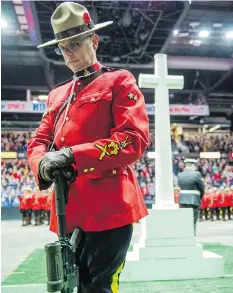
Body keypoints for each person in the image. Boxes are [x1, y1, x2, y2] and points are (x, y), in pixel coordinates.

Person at [27, 2, 149, 292]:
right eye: (62, 48)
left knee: (99, 287)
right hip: (66, 208)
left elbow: (133, 140)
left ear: (93, 41)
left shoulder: (119, 81)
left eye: (74, 44)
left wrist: (71, 155)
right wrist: (41, 163)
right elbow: (38, 141)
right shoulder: (57, 95)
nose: (68, 53)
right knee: (70, 286)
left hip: (109, 208)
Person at [178, 159, 205, 236]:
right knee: (193, 219)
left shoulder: (180, 175)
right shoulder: (196, 174)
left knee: (185, 219)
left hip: (182, 199)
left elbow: (180, 186)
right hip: (194, 200)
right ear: (193, 166)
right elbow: (202, 187)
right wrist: (200, 196)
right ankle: (192, 235)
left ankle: (185, 235)